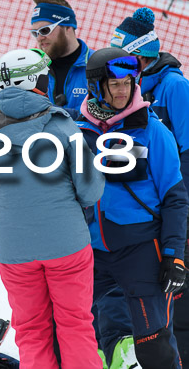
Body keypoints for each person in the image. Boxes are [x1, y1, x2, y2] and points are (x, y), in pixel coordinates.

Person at [0, 48, 105, 368]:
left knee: (31, 330)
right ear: (34, 81)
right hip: (66, 244)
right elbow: (91, 189)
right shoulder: (61, 125)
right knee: (75, 324)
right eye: (44, 77)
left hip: (12, 249)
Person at [76, 47, 188, 369]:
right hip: (92, 252)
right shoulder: (78, 131)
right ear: (98, 86)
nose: (123, 89)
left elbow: (175, 199)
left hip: (140, 252)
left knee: (153, 346)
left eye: (128, 82)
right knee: (76, 330)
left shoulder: (154, 132)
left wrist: (174, 255)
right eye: (115, 84)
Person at [30, 0, 93, 118]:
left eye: (45, 30)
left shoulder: (98, 64)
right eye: (35, 33)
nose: (40, 38)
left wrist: (52, 112)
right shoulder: (32, 67)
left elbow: (107, 116)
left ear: (68, 27)